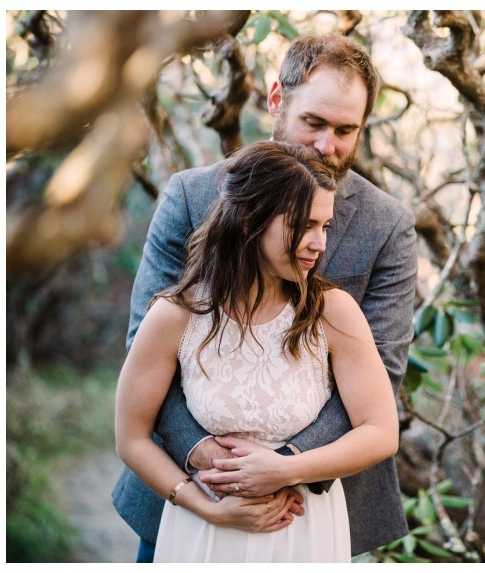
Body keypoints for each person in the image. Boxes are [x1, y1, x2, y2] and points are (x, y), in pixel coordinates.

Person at [111, 33, 416, 561]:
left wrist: (284, 466)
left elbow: (379, 376)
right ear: (277, 100)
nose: (328, 146)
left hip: (311, 503)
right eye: (314, 123)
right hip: (190, 491)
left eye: (347, 131)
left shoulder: (387, 226)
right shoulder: (191, 195)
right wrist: (208, 461)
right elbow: (148, 342)